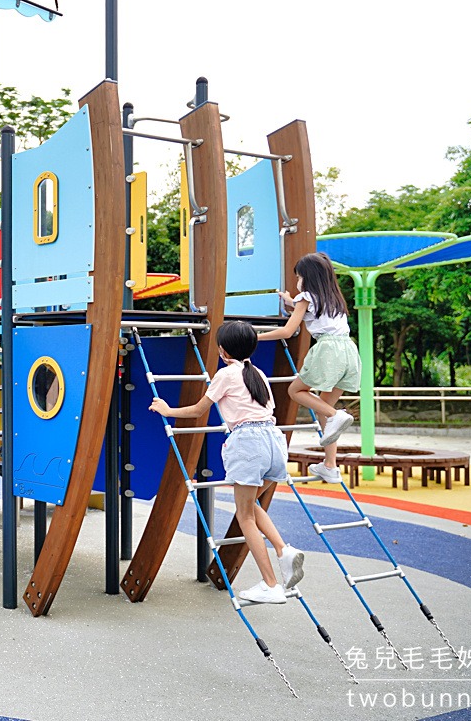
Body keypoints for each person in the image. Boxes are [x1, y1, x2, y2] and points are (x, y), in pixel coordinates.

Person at [150, 321, 304, 604]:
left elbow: (199, 410)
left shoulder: (226, 374)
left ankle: (270, 584)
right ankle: (283, 550)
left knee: (244, 515)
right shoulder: (258, 374)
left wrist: (167, 409)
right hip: (274, 441)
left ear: (222, 350)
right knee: (252, 505)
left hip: (249, 443)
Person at [258, 251, 361, 484]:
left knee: (296, 391)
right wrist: (289, 301)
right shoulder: (334, 298)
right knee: (324, 409)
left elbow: (287, 330)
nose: (298, 282)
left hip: (328, 351)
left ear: (307, 277)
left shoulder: (306, 296)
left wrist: (255, 337)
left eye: (299, 277)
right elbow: (304, 308)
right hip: (349, 352)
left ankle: (337, 415)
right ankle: (331, 466)